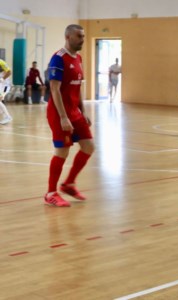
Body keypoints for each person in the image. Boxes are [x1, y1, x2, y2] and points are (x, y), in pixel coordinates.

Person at [44, 24, 95, 207]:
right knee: (62, 151)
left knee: (89, 146)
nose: (82, 39)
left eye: (83, 36)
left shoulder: (79, 58)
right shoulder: (58, 59)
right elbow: (54, 89)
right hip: (59, 112)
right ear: (68, 37)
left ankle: (69, 184)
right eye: (79, 36)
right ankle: (51, 193)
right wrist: (63, 117)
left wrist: (83, 111)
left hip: (75, 111)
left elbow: (77, 87)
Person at [0, 58, 13, 125]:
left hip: (4, 84)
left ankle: (8, 117)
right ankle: (6, 117)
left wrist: (2, 78)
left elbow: (9, 71)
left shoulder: (1, 62)